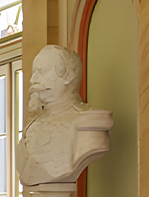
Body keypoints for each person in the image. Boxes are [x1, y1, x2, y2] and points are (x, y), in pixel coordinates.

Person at [16, 44, 113, 187]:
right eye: (33, 73)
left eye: (41, 72)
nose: (33, 80)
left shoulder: (89, 123)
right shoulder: (33, 125)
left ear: (68, 76)